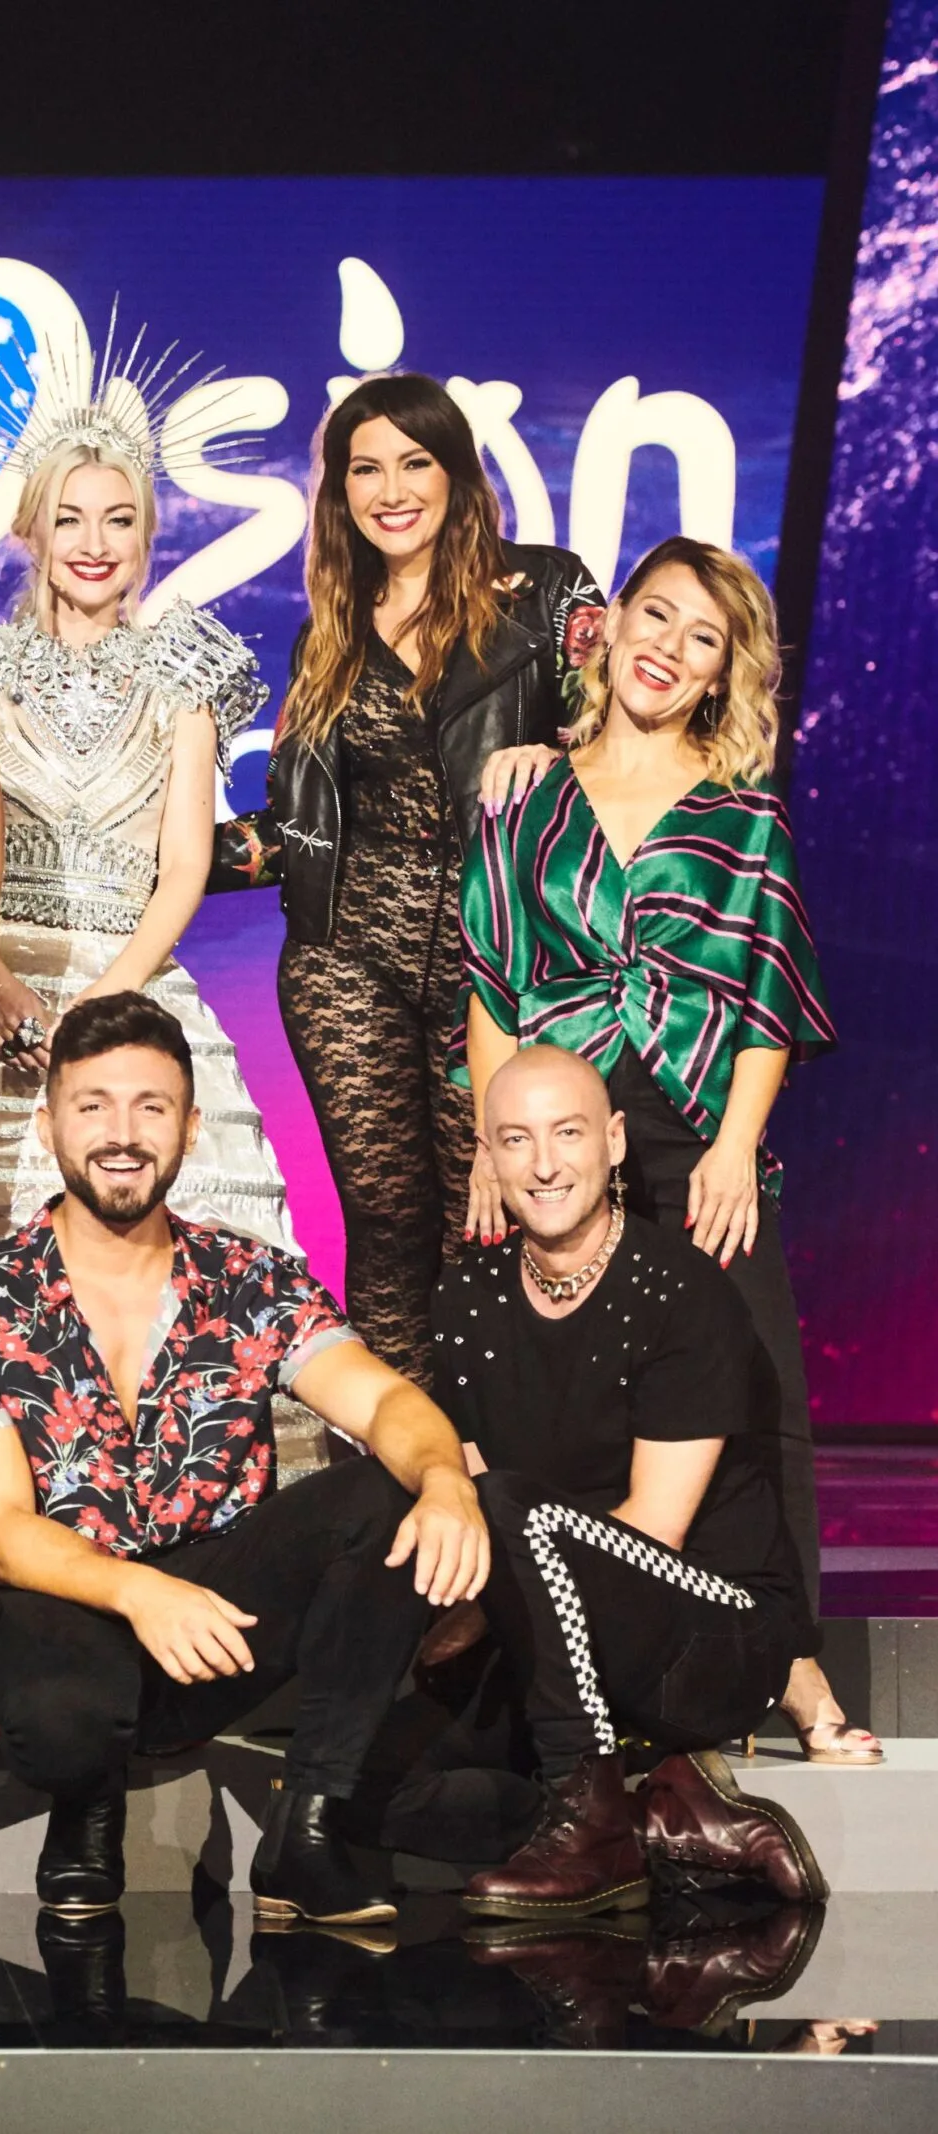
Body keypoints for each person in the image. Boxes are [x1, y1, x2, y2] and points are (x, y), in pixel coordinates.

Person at [0, 991, 490, 1927]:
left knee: (393, 1492)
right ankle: (87, 1799)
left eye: (150, 1107)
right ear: (47, 1122)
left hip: (224, 1614)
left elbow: (384, 1398)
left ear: (189, 1126)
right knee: (66, 1719)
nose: (121, 1133)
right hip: (71, 1604)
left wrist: (445, 1483)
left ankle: (308, 1829)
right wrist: (142, 1593)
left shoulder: (249, 1276)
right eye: (93, 1105)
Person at [458, 536, 869, 1765]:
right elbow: (492, 985)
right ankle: (566, 1650)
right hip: (553, 1134)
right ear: (610, 626)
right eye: (657, 615)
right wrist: (496, 1137)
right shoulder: (522, 793)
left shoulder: (744, 817)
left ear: (717, 676)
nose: (669, 648)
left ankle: (792, 1666)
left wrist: (737, 1148)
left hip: (696, 1132)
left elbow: (765, 1000)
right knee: (551, 1388)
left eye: (703, 638)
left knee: (759, 1394)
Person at [237, 372, 602, 1382]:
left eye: (414, 462)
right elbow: (296, 826)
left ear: (455, 474)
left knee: (484, 1214)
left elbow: (641, 749)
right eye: (365, 469)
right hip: (345, 959)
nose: (390, 489)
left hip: (500, 965)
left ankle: (495, 1467)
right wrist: (153, 853)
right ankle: (396, 1481)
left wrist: (566, 762)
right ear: (338, 491)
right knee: (387, 1219)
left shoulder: (547, 595)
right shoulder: (330, 632)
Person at [0, 332, 296, 1249]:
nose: (93, 544)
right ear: (29, 531)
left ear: (148, 534)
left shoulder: (185, 670)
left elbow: (183, 869)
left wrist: (103, 1001)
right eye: (69, 518)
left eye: (118, 520)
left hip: (132, 979)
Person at [439, 1044, 830, 1919]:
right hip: (564, 1629)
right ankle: (658, 1811)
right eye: (516, 1139)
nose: (543, 1165)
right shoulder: (466, 1298)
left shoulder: (680, 1291)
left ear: (615, 1142)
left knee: (506, 1507)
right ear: (487, 1155)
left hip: (711, 1633)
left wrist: (499, 1586)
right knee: (383, 1788)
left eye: (568, 1133)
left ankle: (599, 1828)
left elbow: (653, 1528)